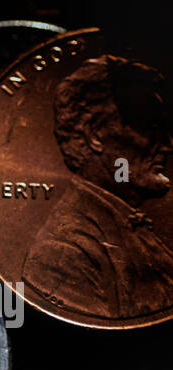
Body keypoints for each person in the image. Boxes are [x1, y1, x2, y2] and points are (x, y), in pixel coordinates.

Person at [22, 55, 173, 320]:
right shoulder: (63, 252)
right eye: (148, 127)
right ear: (95, 134)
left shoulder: (128, 226)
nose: (167, 144)